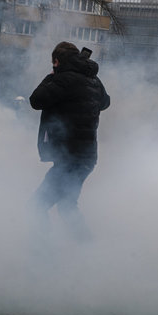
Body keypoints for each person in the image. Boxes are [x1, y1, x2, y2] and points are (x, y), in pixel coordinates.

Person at [29, 42, 110, 241]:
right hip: (86, 158)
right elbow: (105, 102)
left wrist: (51, 76)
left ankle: (41, 253)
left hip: (69, 159)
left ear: (57, 61)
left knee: (37, 205)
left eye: (53, 63)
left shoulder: (63, 80)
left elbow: (36, 100)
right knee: (66, 205)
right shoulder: (93, 79)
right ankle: (87, 248)